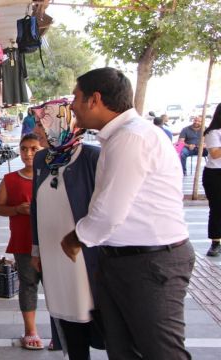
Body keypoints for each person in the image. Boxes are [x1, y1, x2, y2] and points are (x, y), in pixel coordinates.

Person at [61, 67, 194, 359]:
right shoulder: (120, 136)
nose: (72, 105)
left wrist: (77, 237)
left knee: (161, 352)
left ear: (94, 99)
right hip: (123, 261)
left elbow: (109, 212)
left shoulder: (131, 138)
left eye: (76, 97)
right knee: (122, 350)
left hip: (151, 263)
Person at [30, 99, 102, 360]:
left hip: (84, 253)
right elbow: (36, 208)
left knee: (91, 308)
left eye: (41, 123)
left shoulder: (92, 157)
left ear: (61, 123)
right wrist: (36, 249)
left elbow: (104, 208)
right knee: (64, 310)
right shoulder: (42, 159)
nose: (37, 130)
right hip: (52, 252)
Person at [0, 133, 44, 350]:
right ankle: (30, 331)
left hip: (52, 242)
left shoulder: (53, 177)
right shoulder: (10, 179)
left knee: (57, 288)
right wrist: (16, 210)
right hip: (23, 242)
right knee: (28, 285)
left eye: (34, 149)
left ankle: (61, 335)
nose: (28, 153)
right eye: (24, 149)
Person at [203, 103, 221, 257]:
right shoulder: (212, 132)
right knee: (217, 208)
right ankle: (215, 242)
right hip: (215, 174)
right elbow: (215, 153)